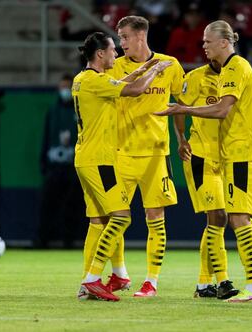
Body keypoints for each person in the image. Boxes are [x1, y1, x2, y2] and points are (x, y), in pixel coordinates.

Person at [156, 20, 252, 302]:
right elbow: (236, 114)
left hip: (239, 154)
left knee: (233, 218)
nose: (203, 46)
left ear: (223, 42)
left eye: (207, 41)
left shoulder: (235, 68)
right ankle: (222, 280)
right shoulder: (200, 77)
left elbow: (221, 111)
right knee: (223, 217)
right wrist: (181, 137)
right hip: (206, 156)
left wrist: (183, 108)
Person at [73, 31, 171, 301]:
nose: (117, 54)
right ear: (100, 54)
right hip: (100, 160)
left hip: (84, 158)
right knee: (122, 217)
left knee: (99, 220)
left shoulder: (83, 80)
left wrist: (143, 67)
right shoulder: (95, 82)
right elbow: (136, 90)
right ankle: (93, 278)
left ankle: (97, 280)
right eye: (113, 50)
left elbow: (117, 83)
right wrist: (156, 70)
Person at [103, 15, 185, 297]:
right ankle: (119, 273)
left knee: (155, 216)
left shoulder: (171, 65)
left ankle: (152, 281)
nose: (120, 43)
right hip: (122, 152)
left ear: (140, 36)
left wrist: (181, 138)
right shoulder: (115, 67)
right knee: (114, 216)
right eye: (119, 38)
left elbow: (180, 104)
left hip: (155, 154)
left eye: (124, 37)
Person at [37, 74, 85, 249]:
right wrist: (43, 161)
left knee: (71, 206)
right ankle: (42, 240)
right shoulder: (53, 111)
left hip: (73, 167)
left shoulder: (80, 109)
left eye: (67, 87)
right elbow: (46, 137)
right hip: (54, 167)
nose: (64, 91)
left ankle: (68, 241)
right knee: (47, 204)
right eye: (61, 87)